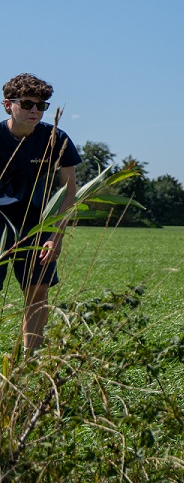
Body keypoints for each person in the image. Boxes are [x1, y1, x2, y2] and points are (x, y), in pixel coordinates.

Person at [1, 73, 81, 354]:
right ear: (7, 105)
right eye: (27, 104)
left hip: (38, 226)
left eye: (41, 105)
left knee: (37, 293)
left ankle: (30, 360)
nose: (35, 110)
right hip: (0, 225)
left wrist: (56, 234)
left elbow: (69, 190)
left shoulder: (56, 138)